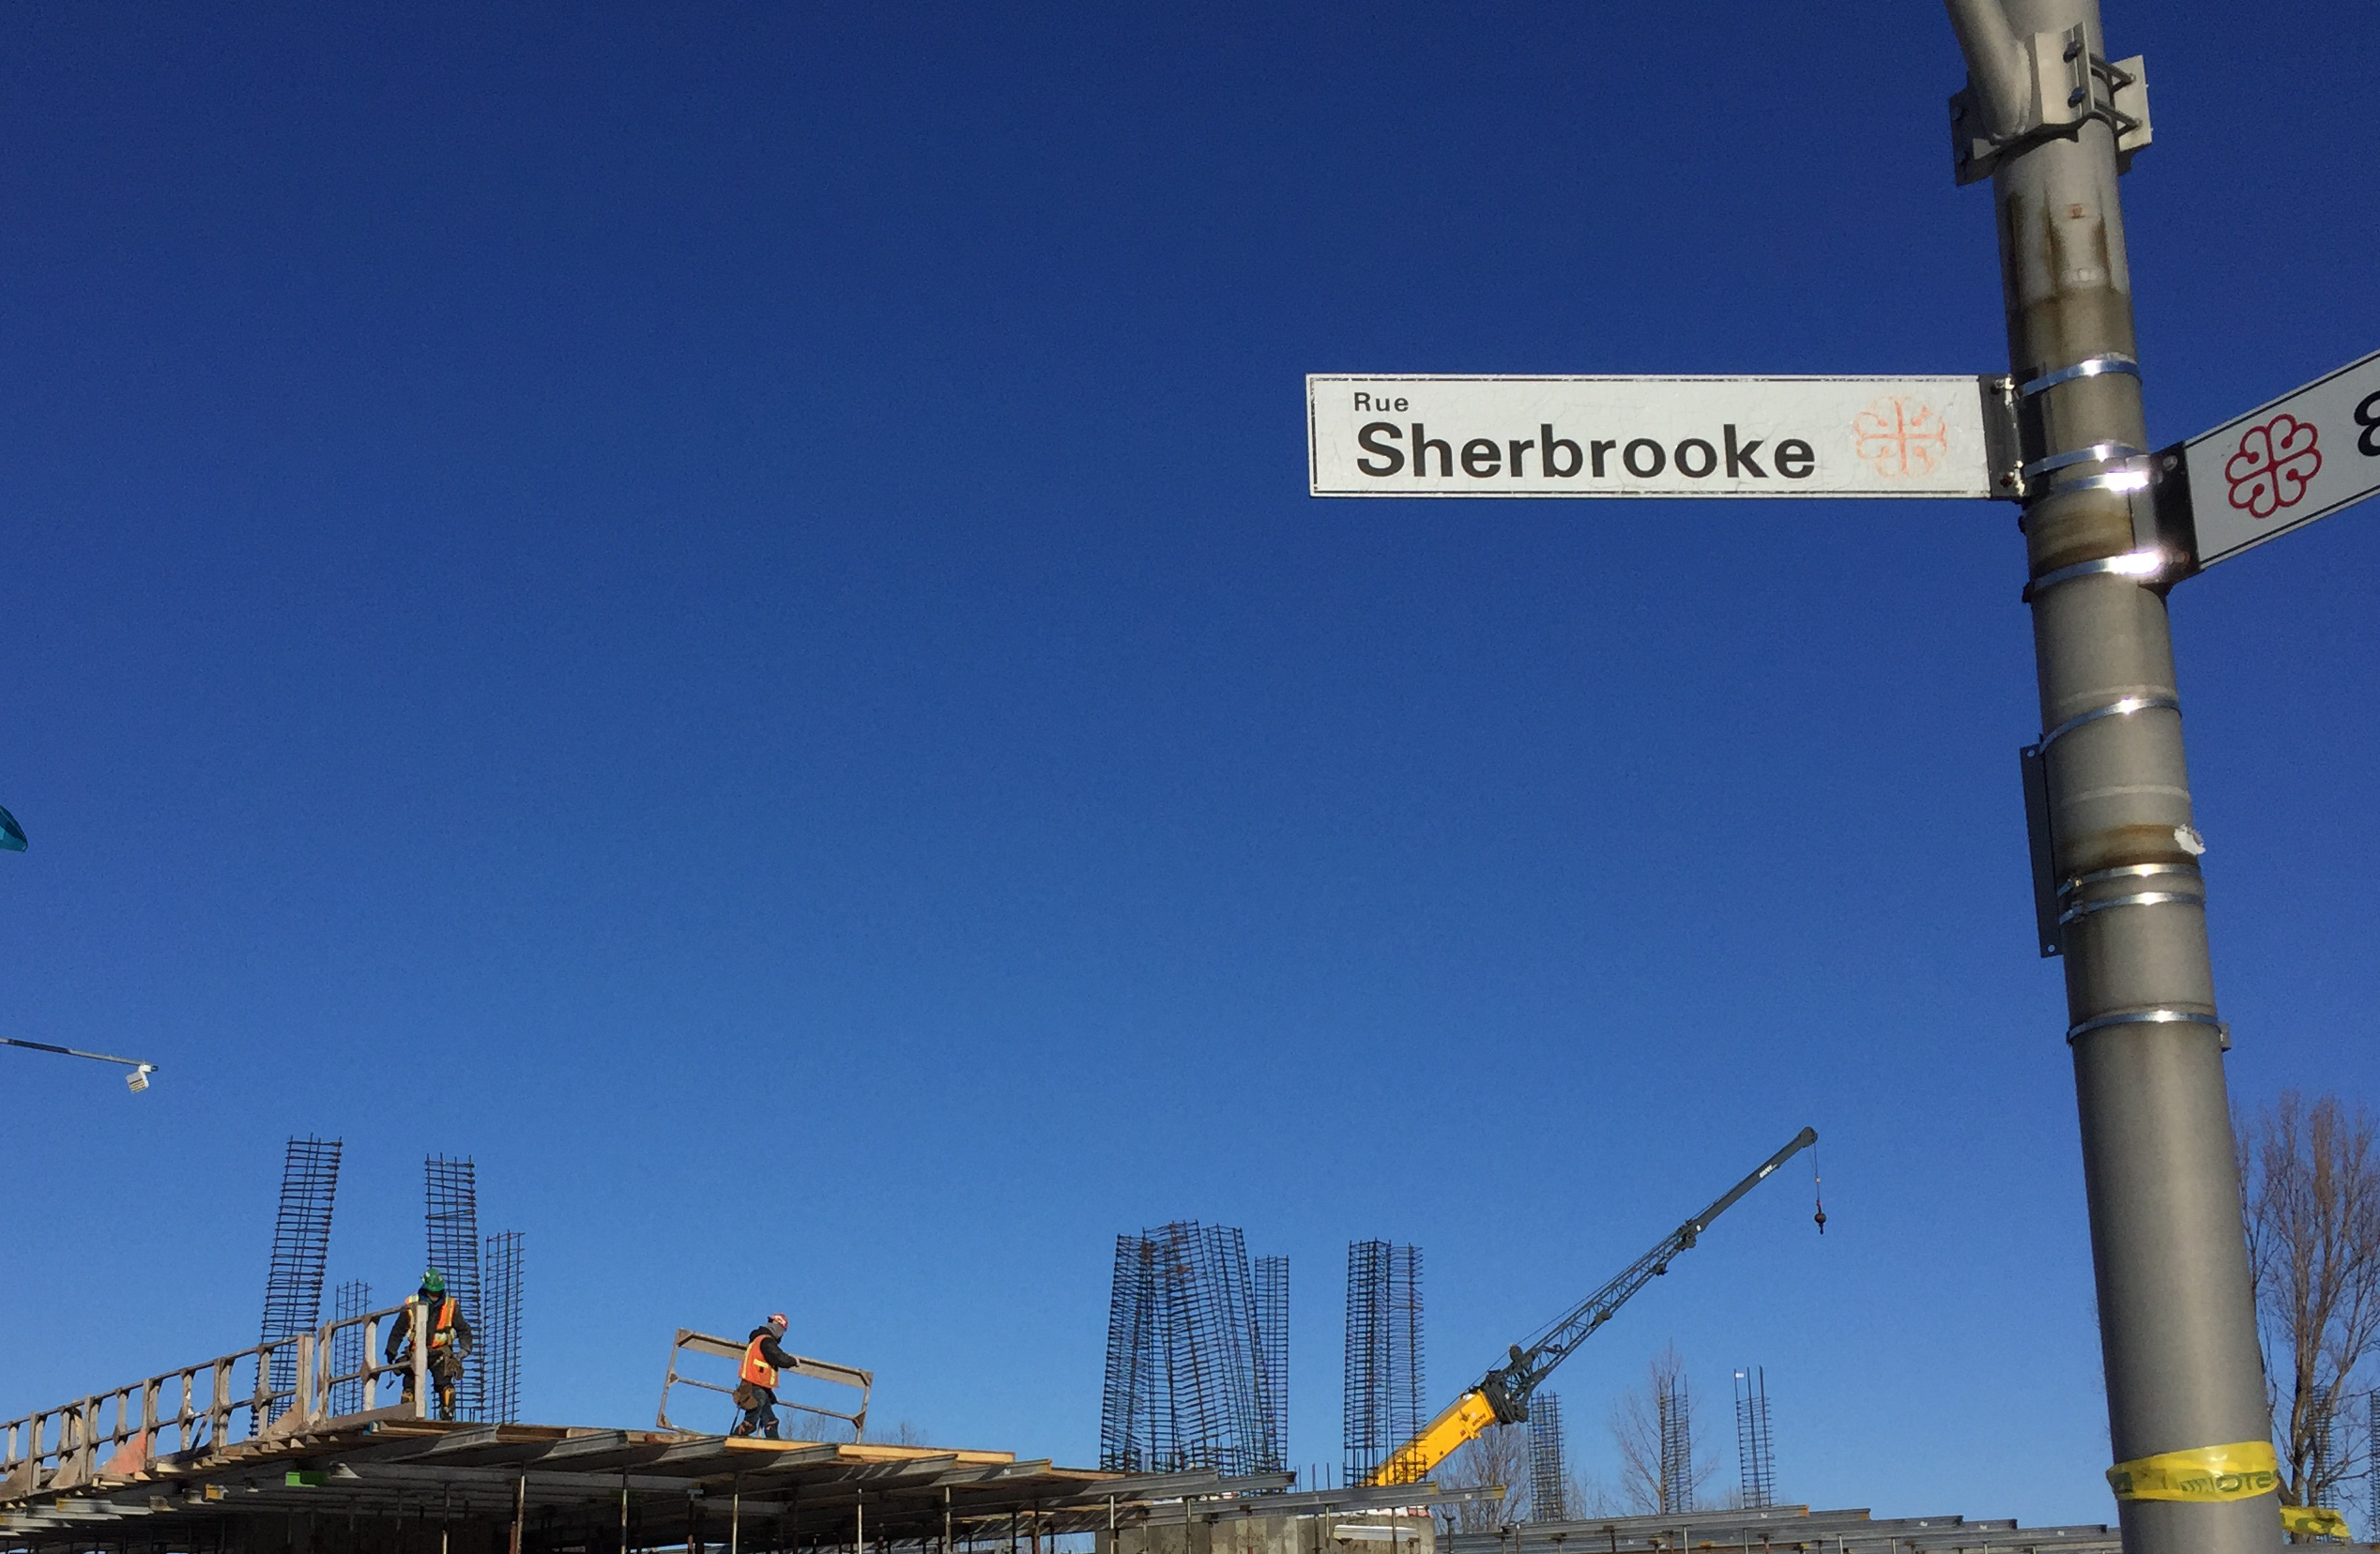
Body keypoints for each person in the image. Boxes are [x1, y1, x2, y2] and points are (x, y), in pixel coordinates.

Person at [386, 1268, 474, 1420]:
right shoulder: (411, 1304)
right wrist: (391, 1350)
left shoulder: (450, 1305)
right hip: (416, 1352)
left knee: (445, 1384)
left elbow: (463, 1329)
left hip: (441, 1352)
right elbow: (398, 1330)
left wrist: (464, 1350)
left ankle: (447, 1414)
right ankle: (407, 1415)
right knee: (409, 1385)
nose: (435, 1295)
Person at [730, 1313, 800, 1439]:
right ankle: (737, 1435)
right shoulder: (766, 1341)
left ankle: (772, 1437)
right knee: (755, 1411)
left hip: (757, 1383)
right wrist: (793, 1361)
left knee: (767, 1414)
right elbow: (778, 1357)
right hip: (755, 1382)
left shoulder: (758, 1339)